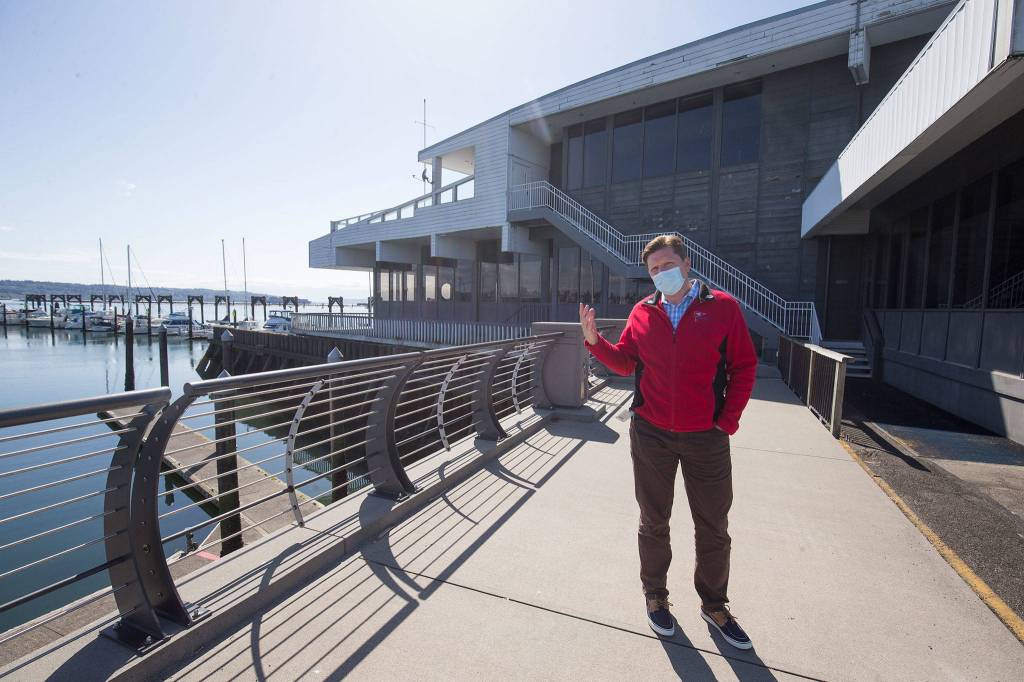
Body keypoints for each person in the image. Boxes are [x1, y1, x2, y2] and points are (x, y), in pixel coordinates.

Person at [579, 234, 757, 649]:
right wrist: (593, 341)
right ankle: (656, 597)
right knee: (653, 519)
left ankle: (715, 605)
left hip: (706, 438)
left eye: (667, 264)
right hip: (651, 433)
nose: (661, 273)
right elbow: (625, 362)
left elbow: (744, 367)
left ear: (687, 263)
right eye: (654, 269)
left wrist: (726, 421)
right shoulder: (642, 312)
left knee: (713, 525)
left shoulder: (723, 308)